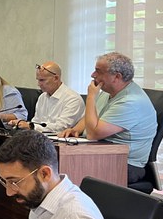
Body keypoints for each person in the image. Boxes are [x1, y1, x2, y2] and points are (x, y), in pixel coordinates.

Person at [61, 52, 156, 184]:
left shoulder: (131, 102)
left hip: (125, 164)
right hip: (102, 154)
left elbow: (93, 134)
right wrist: (75, 129)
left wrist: (90, 97)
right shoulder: (108, 93)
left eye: (98, 71)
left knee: (60, 172)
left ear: (117, 76)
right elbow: (93, 116)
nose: (93, 75)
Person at [11, 62, 84, 133]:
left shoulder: (73, 99)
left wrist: (31, 126)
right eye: (38, 80)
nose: (38, 84)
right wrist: (22, 124)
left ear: (56, 78)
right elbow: (36, 121)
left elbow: (61, 127)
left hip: (60, 140)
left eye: (42, 80)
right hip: (41, 138)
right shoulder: (42, 97)